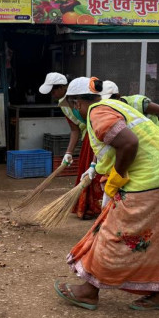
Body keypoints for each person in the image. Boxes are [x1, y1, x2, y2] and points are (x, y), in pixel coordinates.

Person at [53, 77, 159, 311]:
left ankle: (88, 291)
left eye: (72, 105)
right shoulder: (116, 105)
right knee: (156, 238)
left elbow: (128, 143)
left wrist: (117, 177)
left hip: (149, 180)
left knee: (112, 234)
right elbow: (114, 144)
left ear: (77, 103)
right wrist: (97, 168)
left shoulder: (96, 112)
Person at [39, 72, 103, 220]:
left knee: (97, 172)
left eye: (54, 90)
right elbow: (75, 129)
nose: (53, 94)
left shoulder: (88, 101)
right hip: (88, 136)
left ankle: (98, 208)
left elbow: (96, 126)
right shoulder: (64, 106)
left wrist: (94, 162)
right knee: (86, 172)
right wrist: (68, 153)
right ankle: (87, 207)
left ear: (62, 87)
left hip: (96, 134)